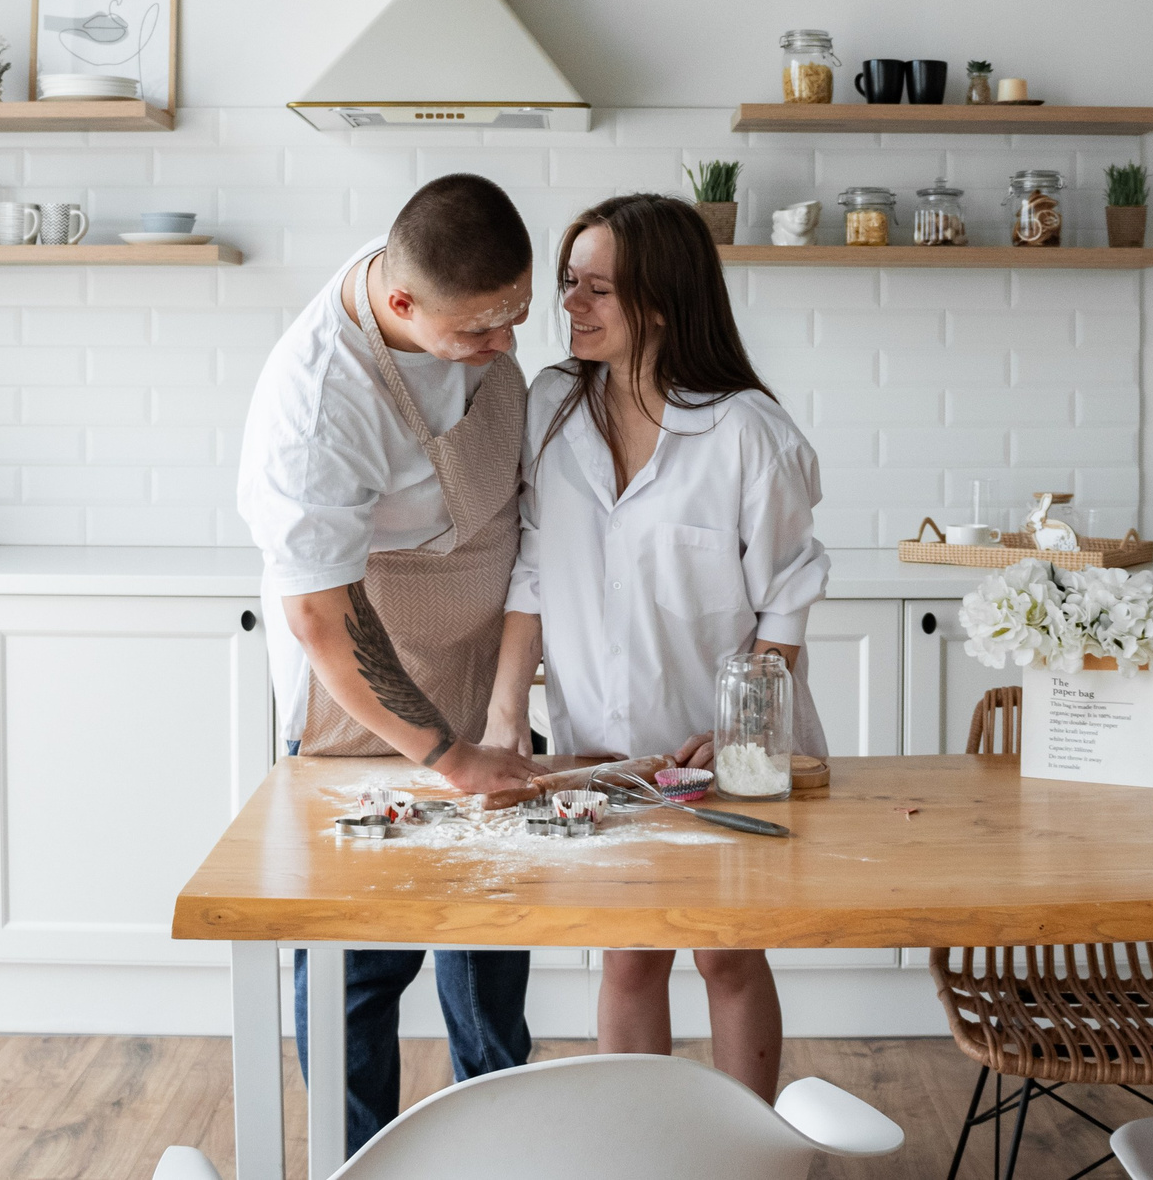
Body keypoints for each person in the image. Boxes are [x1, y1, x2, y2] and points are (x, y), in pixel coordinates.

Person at [483, 192, 830, 1101]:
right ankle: (639, 1149)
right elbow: (532, 563)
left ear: (665, 303)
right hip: (600, 742)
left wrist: (744, 733)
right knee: (629, 956)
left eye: (598, 288)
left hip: (719, 752)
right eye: (571, 282)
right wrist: (507, 709)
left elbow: (787, 598)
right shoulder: (552, 404)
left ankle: (749, 1154)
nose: (571, 303)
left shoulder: (748, 432)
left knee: (727, 953)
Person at [234, 173, 549, 1155]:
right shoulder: (316, 406)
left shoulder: (454, 292)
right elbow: (322, 619)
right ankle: (356, 1161)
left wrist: (503, 711)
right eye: (480, 331)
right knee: (361, 962)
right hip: (365, 692)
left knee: (489, 937)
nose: (504, 345)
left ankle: (493, 1157)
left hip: (482, 664)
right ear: (401, 303)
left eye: (516, 317)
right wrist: (446, 755)